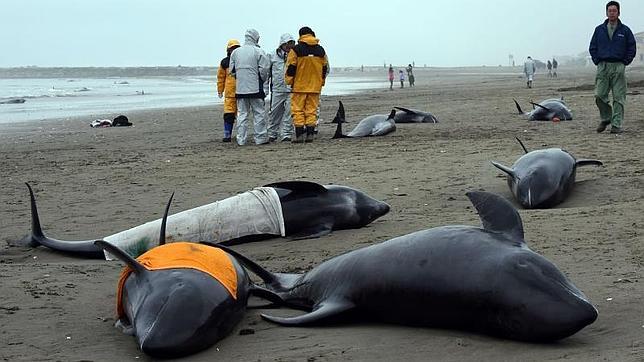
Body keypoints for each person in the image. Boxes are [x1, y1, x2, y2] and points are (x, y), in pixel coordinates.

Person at [589, 1, 636, 134]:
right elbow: (593, 47)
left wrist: (625, 61)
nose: (612, 13)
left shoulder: (625, 30)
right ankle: (606, 117)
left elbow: (631, 46)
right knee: (599, 95)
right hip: (602, 66)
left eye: (614, 11)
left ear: (618, 12)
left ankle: (616, 125)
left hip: (618, 66)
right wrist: (596, 60)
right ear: (606, 12)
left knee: (619, 97)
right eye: (609, 11)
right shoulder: (599, 29)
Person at [285, 26, 329, 143]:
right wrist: (321, 82)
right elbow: (324, 68)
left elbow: (291, 67)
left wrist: (289, 82)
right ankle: (310, 135)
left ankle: (299, 136)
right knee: (312, 111)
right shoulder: (321, 50)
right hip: (315, 87)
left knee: (298, 110)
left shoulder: (296, 50)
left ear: (300, 36)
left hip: (299, 86)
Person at [229, 29, 270, 145]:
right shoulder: (259, 51)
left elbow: (231, 71)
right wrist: (262, 79)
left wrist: (240, 77)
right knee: (259, 114)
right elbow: (264, 69)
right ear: (255, 37)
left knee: (242, 114)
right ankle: (260, 138)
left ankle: (241, 139)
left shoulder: (236, 53)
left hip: (241, 89)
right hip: (256, 88)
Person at [267, 33, 296, 142]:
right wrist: (265, 87)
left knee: (289, 113)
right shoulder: (272, 56)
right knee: (274, 113)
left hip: (291, 89)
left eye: (292, 44)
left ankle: (286, 135)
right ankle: (272, 134)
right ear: (282, 44)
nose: (289, 46)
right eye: (288, 44)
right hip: (277, 89)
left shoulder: (295, 55)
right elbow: (267, 73)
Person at [217, 39, 240, 142]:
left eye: (236, 48)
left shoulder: (242, 61)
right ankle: (227, 134)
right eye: (232, 48)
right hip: (230, 93)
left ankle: (241, 134)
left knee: (241, 115)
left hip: (241, 92)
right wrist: (220, 90)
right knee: (228, 114)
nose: (234, 50)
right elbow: (221, 78)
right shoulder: (225, 62)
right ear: (228, 50)